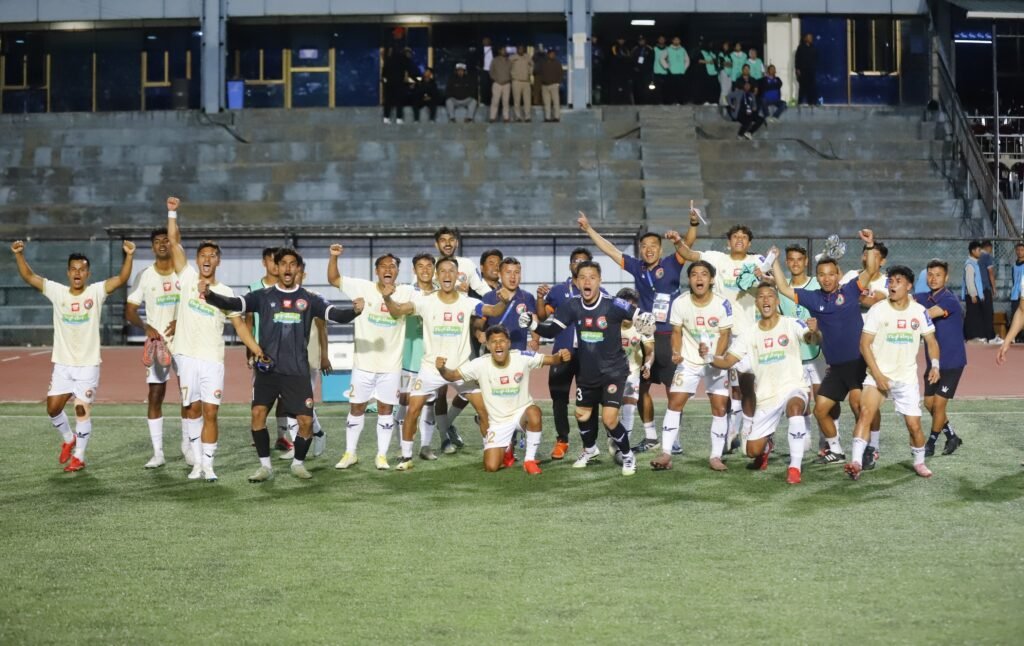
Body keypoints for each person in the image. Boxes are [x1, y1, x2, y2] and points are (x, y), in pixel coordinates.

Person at [202, 249, 363, 482]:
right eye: (283, 264)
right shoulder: (262, 296)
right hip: (268, 370)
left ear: (298, 269)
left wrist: (355, 311)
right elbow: (233, 302)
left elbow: (336, 315)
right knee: (257, 414)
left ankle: (298, 463)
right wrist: (209, 295)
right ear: (276, 268)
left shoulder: (310, 299)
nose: (288, 268)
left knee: (305, 421)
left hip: (297, 371)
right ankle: (265, 467)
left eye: (292, 264)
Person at [577, 208, 699, 454]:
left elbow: (688, 244)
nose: (648, 249)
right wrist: (589, 229)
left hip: (670, 335)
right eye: (644, 246)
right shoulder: (637, 267)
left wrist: (693, 224)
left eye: (653, 245)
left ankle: (674, 440)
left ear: (660, 249)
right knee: (641, 388)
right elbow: (610, 250)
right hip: (646, 333)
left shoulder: (672, 263)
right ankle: (651, 436)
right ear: (640, 250)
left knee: (673, 391)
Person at [11, 238, 134, 473]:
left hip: (88, 365)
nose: (78, 273)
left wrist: (129, 256)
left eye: (82, 269)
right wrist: (18, 254)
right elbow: (29, 277)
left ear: (88, 274)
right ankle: (69, 438)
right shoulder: (57, 292)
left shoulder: (95, 292)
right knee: (52, 409)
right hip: (63, 365)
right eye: (74, 269)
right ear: (68, 273)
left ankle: (79, 457)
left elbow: (121, 279)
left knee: (81, 408)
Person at [381, 257, 512, 471]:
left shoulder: (468, 302)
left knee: (483, 410)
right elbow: (397, 310)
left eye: (451, 271)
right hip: (431, 368)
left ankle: (492, 451)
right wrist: (387, 298)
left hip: (461, 369)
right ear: (437, 275)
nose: (447, 275)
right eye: (442, 271)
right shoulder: (425, 301)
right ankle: (406, 457)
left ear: (457, 275)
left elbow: (493, 311)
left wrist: (504, 302)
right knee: (413, 409)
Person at [530, 260, 656, 476]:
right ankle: (590, 450)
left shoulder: (614, 304)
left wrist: (646, 321)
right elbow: (551, 331)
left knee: (609, 419)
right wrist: (532, 325)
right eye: (582, 278)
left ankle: (628, 455)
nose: (587, 281)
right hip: (587, 371)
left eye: (592, 277)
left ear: (600, 281)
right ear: (577, 282)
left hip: (613, 371)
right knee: (581, 414)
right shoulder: (572, 305)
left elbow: (639, 316)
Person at [770, 230, 881, 467]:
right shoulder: (813, 298)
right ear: (817, 277)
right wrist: (775, 261)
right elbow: (782, 288)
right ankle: (836, 450)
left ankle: (870, 449)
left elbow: (871, 269)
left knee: (859, 407)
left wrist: (870, 245)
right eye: (822, 274)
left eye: (831, 274)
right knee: (820, 410)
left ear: (838, 274)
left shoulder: (851, 289)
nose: (827, 278)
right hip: (836, 369)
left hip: (858, 363)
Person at [166, 198, 252, 481]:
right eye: (203, 255)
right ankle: (196, 464)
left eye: (212, 255)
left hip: (213, 360)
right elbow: (173, 241)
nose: (207, 259)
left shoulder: (225, 292)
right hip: (187, 356)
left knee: (211, 412)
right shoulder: (187, 277)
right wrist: (172, 212)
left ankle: (209, 465)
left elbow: (239, 326)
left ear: (218, 261)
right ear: (197, 260)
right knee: (192, 410)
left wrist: (256, 348)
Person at [711, 283, 818, 484]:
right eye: (761, 296)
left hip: (793, 386)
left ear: (776, 301)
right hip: (767, 396)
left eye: (770, 296)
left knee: (795, 408)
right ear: (757, 303)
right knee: (751, 451)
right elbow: (727, 361)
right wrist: (709, 356)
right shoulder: (749, 333)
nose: (766, 299)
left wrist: (814, 331)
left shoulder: (792, 323)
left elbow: (812, 339)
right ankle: (767, 446)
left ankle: (794, 468)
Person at [846, 266, 941, 480]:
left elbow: (931, 341)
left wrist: (935, 365)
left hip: (906, 378)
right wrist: (878, 375)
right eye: (890, 281)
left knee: (914, 426)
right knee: (865, 413)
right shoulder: (877, 310)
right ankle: (856, 462)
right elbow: (864, 344)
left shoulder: (919, 311)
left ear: (909, 286)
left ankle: (919, 462)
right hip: (878, 375)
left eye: (898, 281)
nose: (892, 285)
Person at [674, 224, 761, 454]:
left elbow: (772, 283)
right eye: (735, 236)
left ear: (750, 243)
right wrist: (677, 241)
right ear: (728, 242)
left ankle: (747, 431)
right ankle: (730, 431)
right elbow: (688, 254)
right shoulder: (716, 258)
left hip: (746, 334)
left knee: (746, 385)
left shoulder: (757, 261)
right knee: (726, 389)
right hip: (720, 334)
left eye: (744, 237)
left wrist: (766, 276)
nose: (739, 239)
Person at [438, 326, 571, 474]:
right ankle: (507, 446)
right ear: (488, 345)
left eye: (502, 341)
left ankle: (529, 460)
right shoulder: (479, 364)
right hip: (498, 422)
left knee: (534, 412)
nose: (498, 345)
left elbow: (551, 359)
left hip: (521, 415)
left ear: (508, 343)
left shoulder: (521, 357)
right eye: (493, 342)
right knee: (491, 467)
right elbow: (452, 376)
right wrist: (442, 369)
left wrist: (560, 356)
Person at [328, 245, 412, 469]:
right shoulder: (362, 287)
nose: (388, 269)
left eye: (392, 266)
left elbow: (415, 302)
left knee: (386, 410)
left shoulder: (406, 292)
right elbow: (334, 279)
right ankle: (350, 453)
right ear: (376, 271)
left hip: (391, 365)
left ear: (397, 271)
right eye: (383, 266)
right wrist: (334, 257)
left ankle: (381, 456)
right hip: (363, 364)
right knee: (356, 408)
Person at [651, 260, 733, 472]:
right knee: (674, 402)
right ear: (689, 279)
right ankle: (666, 453)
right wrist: (676, 352)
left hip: (715, 360)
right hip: (688, 360)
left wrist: (715, 357)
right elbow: (676, 332)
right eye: (694, 274)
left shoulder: (722, 304)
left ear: (711, 279)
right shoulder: (680, 302)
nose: (699, 278)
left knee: (720, 407)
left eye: (704, 274)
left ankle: (715, 456)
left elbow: (725, 334)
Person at [125, 227, 180, 469]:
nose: (162, 244)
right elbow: (130, 311)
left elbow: (196, 302)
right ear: (152, 247)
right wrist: (146, 326)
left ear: (172, 243)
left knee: (189, 396)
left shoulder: (183, 272)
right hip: (158, 345)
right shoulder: (145, 275)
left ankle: (189, 448)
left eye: (166, 240)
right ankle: (158, 453)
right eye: (157, 241)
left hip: (185, 341)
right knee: (155, 395)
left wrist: (181, 321)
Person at [535, 247, 595, 459]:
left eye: (583, 261)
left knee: (588, 399)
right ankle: (562, 440)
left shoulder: (597, 291)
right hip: (562, 354)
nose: (579, 264)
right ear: (570, 265)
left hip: (588, 356)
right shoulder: (559, 291)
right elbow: (542, 316)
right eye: (575, 261)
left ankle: (590, 443)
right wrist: (540, 298)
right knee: (559, 398)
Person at [777, 244, 827, 453]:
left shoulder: (817, 283)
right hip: (794, 356)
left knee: (823, 400)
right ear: (786, 262)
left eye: (799, 259)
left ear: (806, 262)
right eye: (791, 259)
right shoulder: (782, 289)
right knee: (801, 400)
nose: (795, 263)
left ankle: (827, 442)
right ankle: (805, 438)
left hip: (817, 353)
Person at [915, 260, 966, 457]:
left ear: (946, 277)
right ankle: (952, 436)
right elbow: (903, 298)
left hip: (952, 362)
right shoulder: (924, 297)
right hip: (933, 362)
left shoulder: (949, 300)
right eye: (930, 274)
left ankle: (931, 443)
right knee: (929, 403)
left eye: (938, 275)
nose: (933, 278)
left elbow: (929, 314)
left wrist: (908, 315)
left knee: (938, 405)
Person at [246, 247, 294, 454]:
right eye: (271, 260)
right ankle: (259, 431)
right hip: (262, 353)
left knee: (284, 397)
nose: (275, 265)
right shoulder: (255, 288)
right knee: (260, 396)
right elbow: (248, 321)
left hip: (286, 352)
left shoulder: (289, 288)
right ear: (264, 262)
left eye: (278, 261)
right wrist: (250, 350)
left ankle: (281, 437)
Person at [396, 254, 441, 456]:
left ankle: (425, 446)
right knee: (405, 401)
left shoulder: (441, 294)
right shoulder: (406, 292)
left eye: (429, 266)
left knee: (429, 403)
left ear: (434, 269)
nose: (425, 270)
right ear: (414, 270)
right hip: (408, 357)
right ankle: (402, 446)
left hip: (431, 359)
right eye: (420, 266)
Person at [615, 288, 654, 456]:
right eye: (625, 306)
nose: (629, 311)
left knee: (629, 406)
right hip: (611, 372)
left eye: (632, 307)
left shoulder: (643, 322)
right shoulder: (609, 321)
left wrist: (648, 365)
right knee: (609, 412)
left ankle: (623, 449)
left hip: (632, 371)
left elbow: (650, 351)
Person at [480, 257, 539, 353]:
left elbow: (534, 322)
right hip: (494, 353)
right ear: (500, 274)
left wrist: (535, 340)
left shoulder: (527, 297)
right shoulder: (488, 297)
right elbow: (479, 323)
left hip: (518, 353)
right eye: (508, 272)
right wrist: (479, 334)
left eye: (517, 272)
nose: (513, 276)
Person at [382, 46, 415, 123]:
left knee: (388, 100)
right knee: (399, 101)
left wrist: (385, 80)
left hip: (390, 83)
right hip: (399, 83)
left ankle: (386, 117)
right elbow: (410, 71)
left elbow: (384, 72)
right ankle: (399, 118)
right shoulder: (404, 60)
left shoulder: (389, 60)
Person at [963, 240, 987, 342]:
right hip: (972, 295)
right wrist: (973, 295)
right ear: (973, 251)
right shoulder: (969, 264)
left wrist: (981, 295)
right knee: (972, 317)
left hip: (977, 294)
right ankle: (970, 336)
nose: (980, 252)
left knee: (976, 316)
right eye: (978, 250)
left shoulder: (975, 263)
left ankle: (976, 335)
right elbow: (970, 281)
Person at [978, 240, 999, 343]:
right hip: (985, 288)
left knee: (980, 314)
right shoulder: (986, 256)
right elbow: (991, 273)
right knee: (988, 313)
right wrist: (994, 288)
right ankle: (990, 337)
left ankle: (982, 336)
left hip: (977, 289)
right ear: (988, 247)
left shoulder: (975, 257)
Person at [661, 36, 689, 105]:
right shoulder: (668, 49)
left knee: (681, 88)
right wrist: (666, 67)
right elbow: (661, 58)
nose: (676, 41)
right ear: (672, 41)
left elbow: (687, 60)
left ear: (680, 41)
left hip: (681, 72)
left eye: (678, 40)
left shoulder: (683, 49)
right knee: (671, 88)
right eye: (675, 40)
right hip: (672, 72)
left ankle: (680, 102)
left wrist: (684, 68)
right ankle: (670, 102)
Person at [538, 49, 563, 122]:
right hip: (544, 85)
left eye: (554, 54)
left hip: (554, 85)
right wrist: (541, 82)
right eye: (551, 54)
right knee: (546, 103)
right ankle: (547, 117)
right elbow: (540, 73)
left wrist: (558, 83)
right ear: (548, 55)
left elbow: (560, 73)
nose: (552, 55)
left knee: (556, 102)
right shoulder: (543, 63)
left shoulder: (557, 63)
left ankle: (556, 117)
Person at [510, 45, 533, 122]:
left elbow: (532, 65)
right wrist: (512, 75)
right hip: (516, 81)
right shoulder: (512, 57)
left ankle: (527, 117)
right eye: (519, 49)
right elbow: (508, 67)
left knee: (527, 100)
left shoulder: (527, 57)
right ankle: (518, 117)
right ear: (517, 49)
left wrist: (530, 72)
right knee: (517, 100)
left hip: (526, 82)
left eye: (522, 49)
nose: (521, 50)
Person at [489, 46, 513, 123]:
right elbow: (491, 71)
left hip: (507, 84)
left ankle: (506, 118)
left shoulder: (509, 61)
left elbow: (512, 71)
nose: (504, 51)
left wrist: (509, 79)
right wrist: (496, 79)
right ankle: (492, 117)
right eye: (503, 50)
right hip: (497, 83)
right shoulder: (494, 60)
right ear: (499, 51)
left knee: (506, 102)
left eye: (505, 50)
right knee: (495, 101)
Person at [609, 37, 634, 104]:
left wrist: (625, 59)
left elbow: (629, 57)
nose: (621, 41)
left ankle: (626, 101)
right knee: (616, 86)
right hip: (616, 71)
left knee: (626, 87)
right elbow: (616, 56)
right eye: (620, 39)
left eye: (622, 40)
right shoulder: (614, 47)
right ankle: (615, 101)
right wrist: (624, 57)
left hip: (625, 71)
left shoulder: (626, 48)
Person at [632, 36, 656, 105]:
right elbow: (632, 59)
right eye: (640, 40)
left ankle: (647, 101)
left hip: (646, 72)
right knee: (637, 87)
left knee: (647, 87)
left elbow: (652, 60)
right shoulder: (635, 49)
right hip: (637, 72)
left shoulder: (649, 49)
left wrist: (648, 69)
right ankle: (638, 102)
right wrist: (635, 67)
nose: (641, 42)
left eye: (642, 40)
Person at [795, 33, 817, 106]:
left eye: (811, 37)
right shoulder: (801, 48)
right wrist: (797, 69)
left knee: (811, 87)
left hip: (811, 71)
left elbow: (815, 58)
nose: (810, 39)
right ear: (805, 39)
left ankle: (811, 102)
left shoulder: (813, 48)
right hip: (803, 71)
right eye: (809, 37)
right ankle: (800, 102)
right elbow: (797, 59)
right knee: (802, 87)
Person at [1010, 241, 1024, 343]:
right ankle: (1016, 337)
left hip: (1023, 295)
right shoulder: (1014, 265)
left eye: (1022, 250)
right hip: (1015, 295)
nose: (1020, 252)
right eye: (1018, 250)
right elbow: (1014, 279)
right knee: (1015, 316)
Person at [652, 36, 669, 103]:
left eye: (663, 39)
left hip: (666, 72)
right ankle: (657, 102)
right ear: (658, 40)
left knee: (666, 88)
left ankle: (666, 102)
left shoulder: (668, 49)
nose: (661, 40)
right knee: (657, 88)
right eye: (660, 39)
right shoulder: (654, 49)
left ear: (665, 40)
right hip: (656, 71)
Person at [478, 36, 494, 106]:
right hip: (484, 70)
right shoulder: (479, 50)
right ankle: (484, 101)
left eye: (487, 40)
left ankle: (492, 101)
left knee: (492, 86)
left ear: (490, 41)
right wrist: (479, 67)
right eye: (484, 40)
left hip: (493, 71)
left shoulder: (494, 49)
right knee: (484, 86)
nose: (486, 41)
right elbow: (476, 59)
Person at [716, 40, 733, 105]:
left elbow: (731, 64)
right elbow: (721, 63)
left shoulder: (730, 54)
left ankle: (726, 102)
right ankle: (724, 103)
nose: (726, 47)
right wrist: (727, 64)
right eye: (724, 45)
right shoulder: (721, 54)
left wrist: (728, 64)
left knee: (729, 88)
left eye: (727, 45)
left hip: (730, 73)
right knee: (724, 89)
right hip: (723, 72)